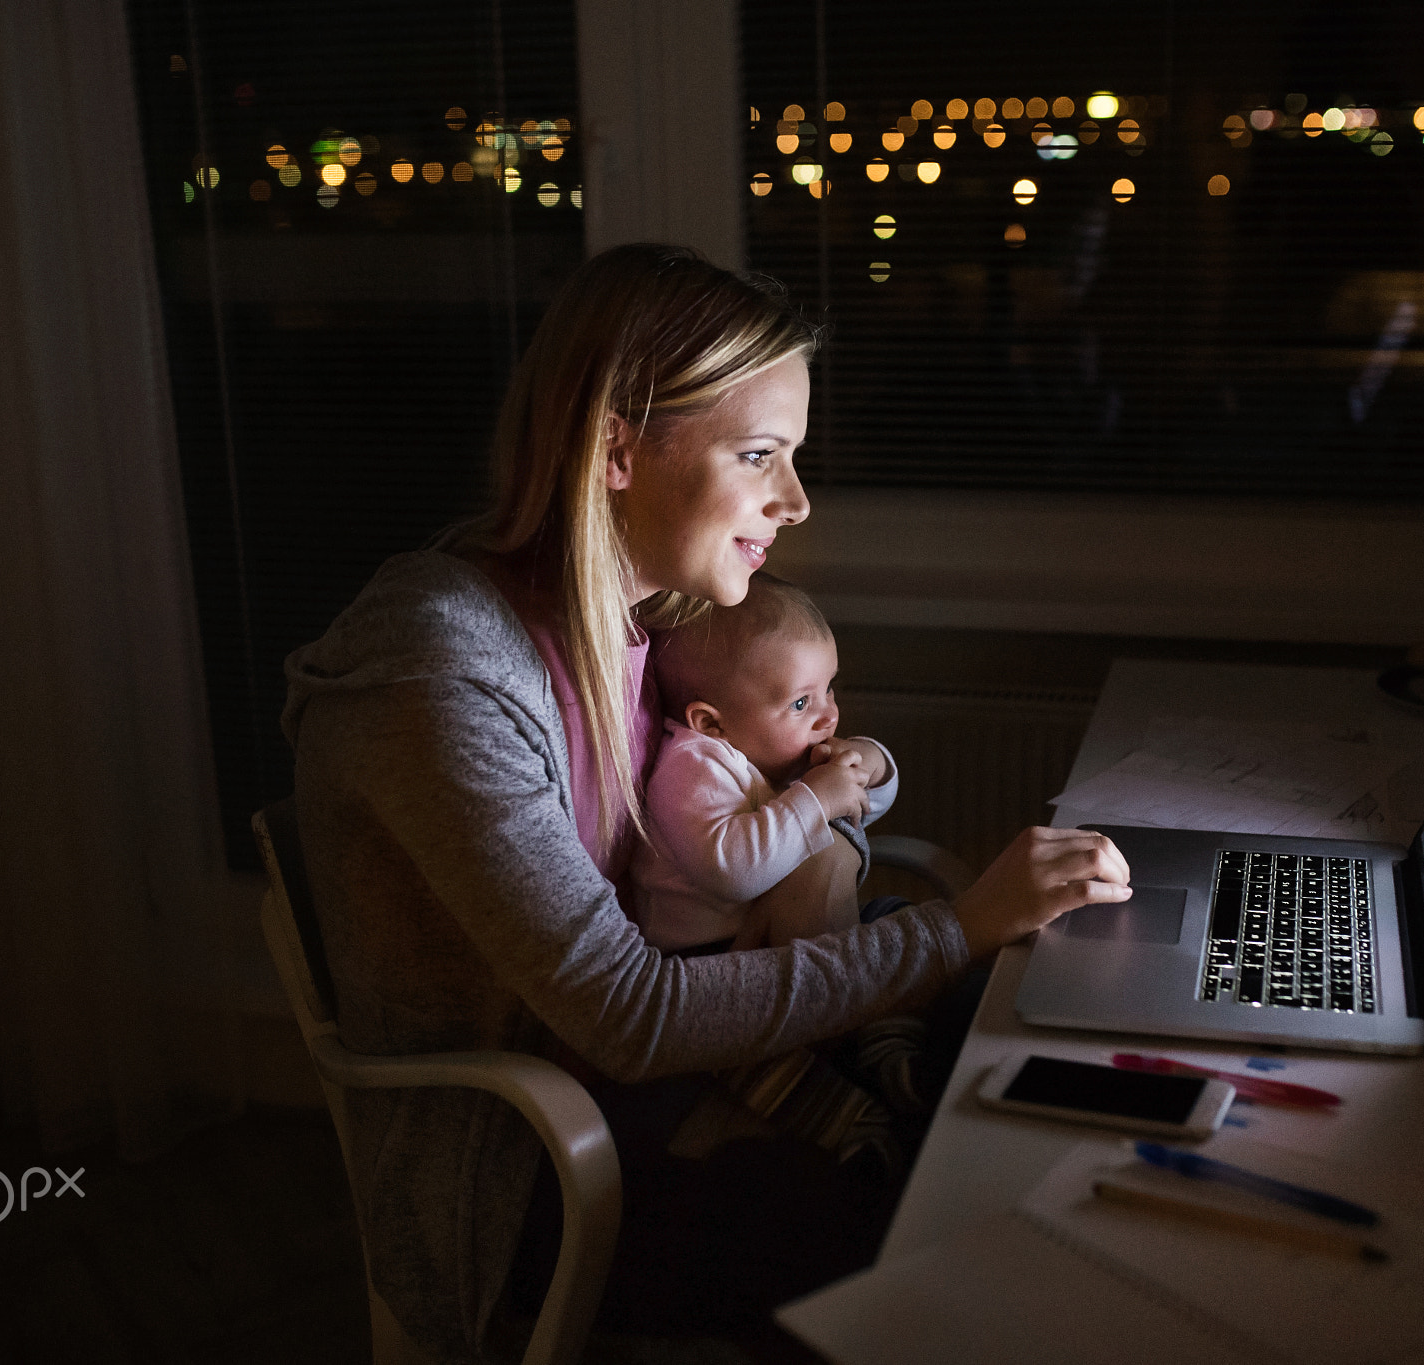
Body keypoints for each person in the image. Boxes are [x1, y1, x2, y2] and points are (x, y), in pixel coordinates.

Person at [281, 242, 1131, 1361]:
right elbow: (626, 1016)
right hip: (531, 1169)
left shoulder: (650, 627)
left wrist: (876, 843)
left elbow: (768, 815)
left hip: (662, 1064)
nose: (793, 500)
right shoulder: (446, 674)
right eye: (759, 455)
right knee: (948, 1227)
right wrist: (957, 922)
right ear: (616, 447)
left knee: (1026, 1064)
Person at [634, 573, 898, 954]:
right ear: (711, 724)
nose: (830, 717)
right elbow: (731, 872)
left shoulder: (775, 752)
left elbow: (863, 809)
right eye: (800, 703)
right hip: (713, 958)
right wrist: (818, 801)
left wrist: (864, 762)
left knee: (898, 917)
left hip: (783, 931)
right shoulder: (693, 766)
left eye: (828, 688)